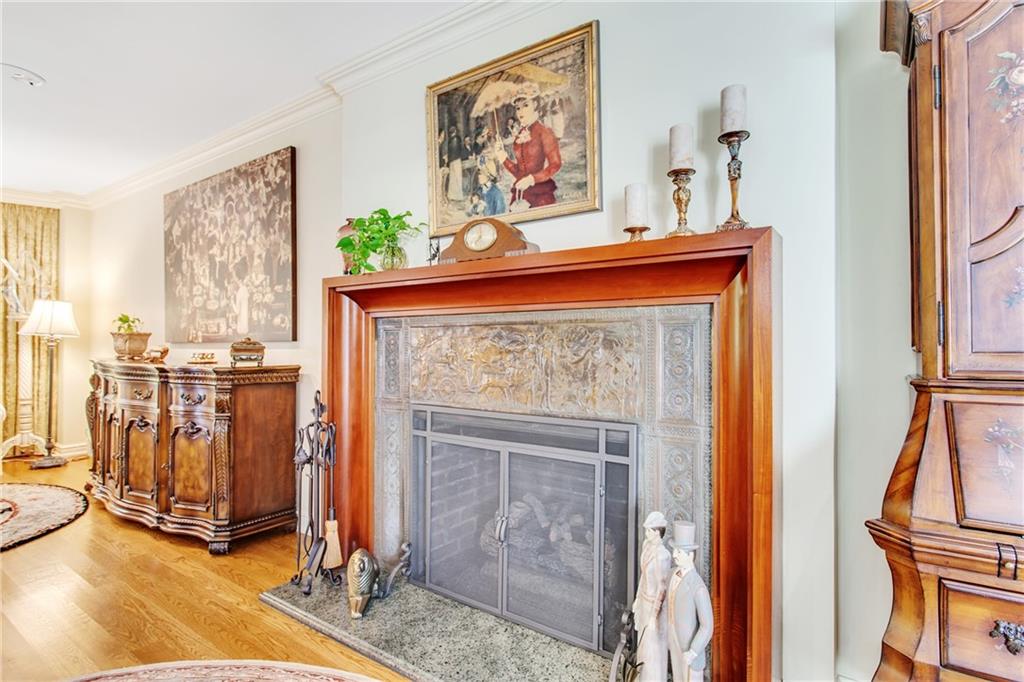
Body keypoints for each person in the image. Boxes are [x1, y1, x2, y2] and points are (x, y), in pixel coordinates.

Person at [494, 84, 562, 208]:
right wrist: (504, 158)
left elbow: (555, 164)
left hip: (541, 194)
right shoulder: (520, 135)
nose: (521, 111)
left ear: (535, 105)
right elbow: (519, 172)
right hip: (521, 194)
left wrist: (532, 179)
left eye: (525, 105)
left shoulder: (544, 132)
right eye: (518, 108)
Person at [667, 522, 713, 682]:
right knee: (677, 675)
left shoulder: (697, 587)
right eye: (674, 550)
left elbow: (707, 626)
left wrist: (693, 651)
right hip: (673, 638)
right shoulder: (672, 575)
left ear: (690, 555)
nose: (674, 555)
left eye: (679, 551)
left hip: (689, 647)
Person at [632, 511, 671, 682]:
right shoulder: (647, 547)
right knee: (643, 646)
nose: (646, 533)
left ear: (657, 532)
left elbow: (662, 589)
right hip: (644, 601)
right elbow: (643, 577)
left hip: (655, 607)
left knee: (653, 649)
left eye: (648, 530)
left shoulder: (663, 556)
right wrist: (637, 600)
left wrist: (654, 617)